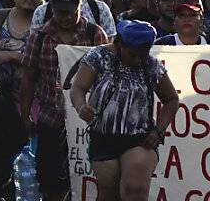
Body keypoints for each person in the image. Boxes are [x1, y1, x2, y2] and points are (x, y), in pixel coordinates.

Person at [69, 21, 179, 201]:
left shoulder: (152, 65)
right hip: (103, 137)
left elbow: (172, 99)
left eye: (142, 55)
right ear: (120, 44)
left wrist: (159, 130)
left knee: (135, 191)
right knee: (108, 193)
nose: (137, 60)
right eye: (132, 54)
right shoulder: (98, 56)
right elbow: (78, 88)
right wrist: (81, 106)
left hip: (140, 138)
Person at [20, 0, 109, 201]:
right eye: (60, 12)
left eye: (70, 12)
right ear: (52, 8)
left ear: (79, 8)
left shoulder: (95, 34)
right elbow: (28, 77)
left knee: (88, 180)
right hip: (51, 119)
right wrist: (25, 114)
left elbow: (107, 78)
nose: (66, 18)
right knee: (51, 182)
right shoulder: (39, 37)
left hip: (87, 122)